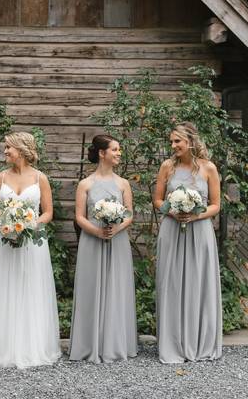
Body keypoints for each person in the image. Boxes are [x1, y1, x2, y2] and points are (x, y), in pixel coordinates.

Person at [0, 132, 61, 368]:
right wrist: (3, 224)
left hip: (32, 242)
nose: (5, 152)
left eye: (9, 148)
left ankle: (31, 347)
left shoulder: (41, 179)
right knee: (5, 289)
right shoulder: (0, 178)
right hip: (4, 242)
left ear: (21, 150)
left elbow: (48, 212)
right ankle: (2, 348)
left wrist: (29, 225)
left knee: (30, 290)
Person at [153, 122, 223, 362]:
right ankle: (173, 343)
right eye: (171, 142)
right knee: (171, 283)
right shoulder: (166, 167)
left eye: (177, 142)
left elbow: (216, 204)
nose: (173, 146)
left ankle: (199, 341)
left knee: (198, 282)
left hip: (200, 231)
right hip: (172, 229)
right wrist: (172, 212)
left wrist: (196, 215)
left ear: (190, 142)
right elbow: (158, 200)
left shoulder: (208, 169)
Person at [69, 134, 138, 362]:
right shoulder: (85, 184)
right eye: (115, 149)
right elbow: (80, 217)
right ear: (102, 153)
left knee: (117, 288)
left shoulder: (123, 183)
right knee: (92, 287)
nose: (119, 153)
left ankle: (116, 343)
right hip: (92, 241)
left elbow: (129, 214)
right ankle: (89, 344)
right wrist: (97, 231)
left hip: (117, 241)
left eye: (119, 150)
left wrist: (116, 229)